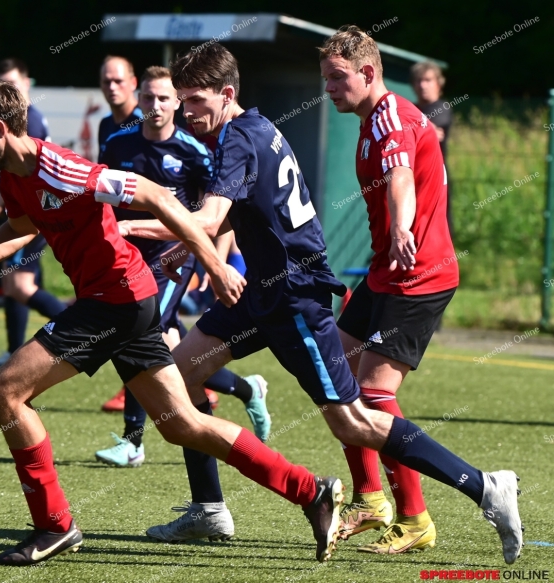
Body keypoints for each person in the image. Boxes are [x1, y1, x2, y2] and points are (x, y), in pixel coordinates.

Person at [118, 43, 522, 565]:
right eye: (181, 100)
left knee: (353, 419)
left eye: (193, 100)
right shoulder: (252, 127)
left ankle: (484, 487)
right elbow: (247, 208)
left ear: (226, 94)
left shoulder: (241, 139)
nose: (185, 110)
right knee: (180, 375)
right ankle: (210, 507)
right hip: (260, 290)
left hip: (293, 299)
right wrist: (181, 247)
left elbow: (211, 218)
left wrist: (125, 224)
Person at [0, 78, 348, 567]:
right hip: (123, 299)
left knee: (5, 391)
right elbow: (22, 226)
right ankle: (311, 491)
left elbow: (157, 196)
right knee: (184, 425)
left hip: (117, 301)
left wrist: (213, 264)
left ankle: (54, 525)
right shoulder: (12, 175)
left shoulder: (64, 169)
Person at [322, 26, 462, 554]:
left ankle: (415, 517)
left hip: (418, 275)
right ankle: (369, 499)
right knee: (333, 377)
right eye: (326, 79)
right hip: (387, 272)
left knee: (376, 395)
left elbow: (400, 174)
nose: (330, 89)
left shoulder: (391, 117)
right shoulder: (371, 118)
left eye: (338, 78)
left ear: (368, 72)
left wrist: (403, 225)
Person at [94, 66, 271, 469]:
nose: (155, 106)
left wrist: (215, 258)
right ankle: (246, 389)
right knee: (171, 348)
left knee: (141, 336)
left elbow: (217, 212)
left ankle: (133, 441)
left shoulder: (194, 151)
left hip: (172, 259)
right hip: (126, 258)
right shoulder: (118, 144)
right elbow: (101, 199)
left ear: (176, 102)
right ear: (137, 100)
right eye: (147, 98)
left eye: (164, 98)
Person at [0, 58, 66, 369]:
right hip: (17, 209)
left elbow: (19, 174)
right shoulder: (3, 120)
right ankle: (14, 351)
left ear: (26, 84)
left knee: (18, 285)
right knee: (13, 285)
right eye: (1, 85)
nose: (6, 91)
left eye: (11, 84)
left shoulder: (29, 120)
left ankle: (84, 331)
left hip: (29, 213)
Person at [410, 61, 453, 234]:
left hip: (435, 177)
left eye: (428, 80)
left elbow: (427, 131)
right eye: (418, 80)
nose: (422, 85)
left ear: (439, 83)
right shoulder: (412, 108)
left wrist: (415, 128)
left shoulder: (442, 108)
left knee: (437, 228)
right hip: (411, 176)